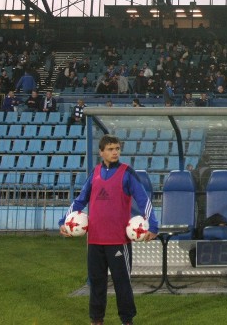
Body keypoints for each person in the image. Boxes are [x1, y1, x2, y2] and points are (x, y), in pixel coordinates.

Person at [59, 134, 158, 325]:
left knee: (122, 284)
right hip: (95, 240)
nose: (115, 152)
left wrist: (153, 225)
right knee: (97, 284)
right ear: (101, 152)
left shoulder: (127, 173)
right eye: (111, 149)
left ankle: (127, 320)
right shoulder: (95, 173)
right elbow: (80, 200)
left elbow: (144, 200)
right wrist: (64, 221)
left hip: (118, 240)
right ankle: (97, 320)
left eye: (117, 149)